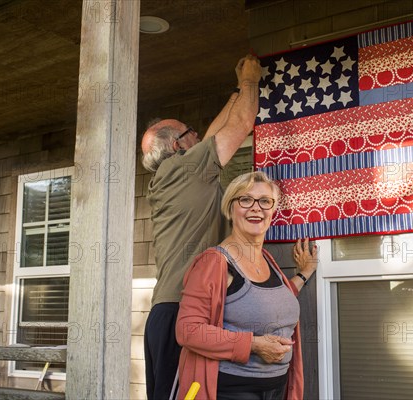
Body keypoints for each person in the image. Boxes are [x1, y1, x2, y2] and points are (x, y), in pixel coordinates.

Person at [141, 54, 261, 400]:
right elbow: (239, 126)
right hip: (181, 312)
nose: (198, 133)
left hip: (173, 314)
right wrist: (251, 81)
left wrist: (237, 91)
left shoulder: (181, 173)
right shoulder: (183, 169)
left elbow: (212, 133)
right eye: (188, 131)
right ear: (178, 145)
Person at [176, 171, 318, 400]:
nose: (256, 208)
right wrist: (254, 344)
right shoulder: (214, 262)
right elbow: (187, 330)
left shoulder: (268, 260)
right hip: (233, 390)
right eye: (245, 199)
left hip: (276, 387)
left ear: (272, 211)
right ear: (230, 208)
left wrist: (305, 273)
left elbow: (268, 302)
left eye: (264, 201)